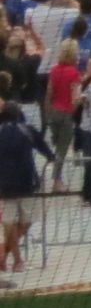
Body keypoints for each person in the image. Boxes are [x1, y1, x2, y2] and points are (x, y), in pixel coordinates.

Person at [0, 100, 38, 281]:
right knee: (16, 221)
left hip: (10, 183)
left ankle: (5, 253)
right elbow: (43, 147)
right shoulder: (25, 130)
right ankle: (16, 259)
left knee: (15, 222)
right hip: (22, 182)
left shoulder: (23, 130)